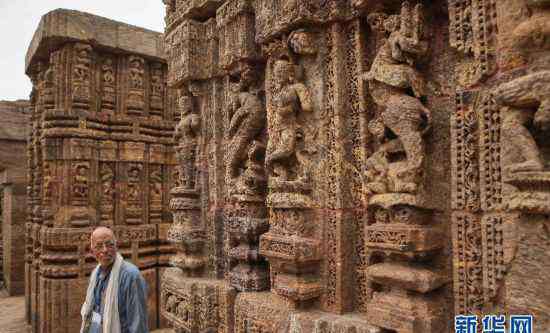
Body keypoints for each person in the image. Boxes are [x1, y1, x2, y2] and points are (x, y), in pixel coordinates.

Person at [80, 227, 149, 333]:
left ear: (117, 246)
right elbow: (93, 316)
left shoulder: (131, 276)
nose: (105, 250)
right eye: (99, 246)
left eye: (109, 245)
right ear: (92, 251)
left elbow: (138, 324)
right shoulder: (96, 275)